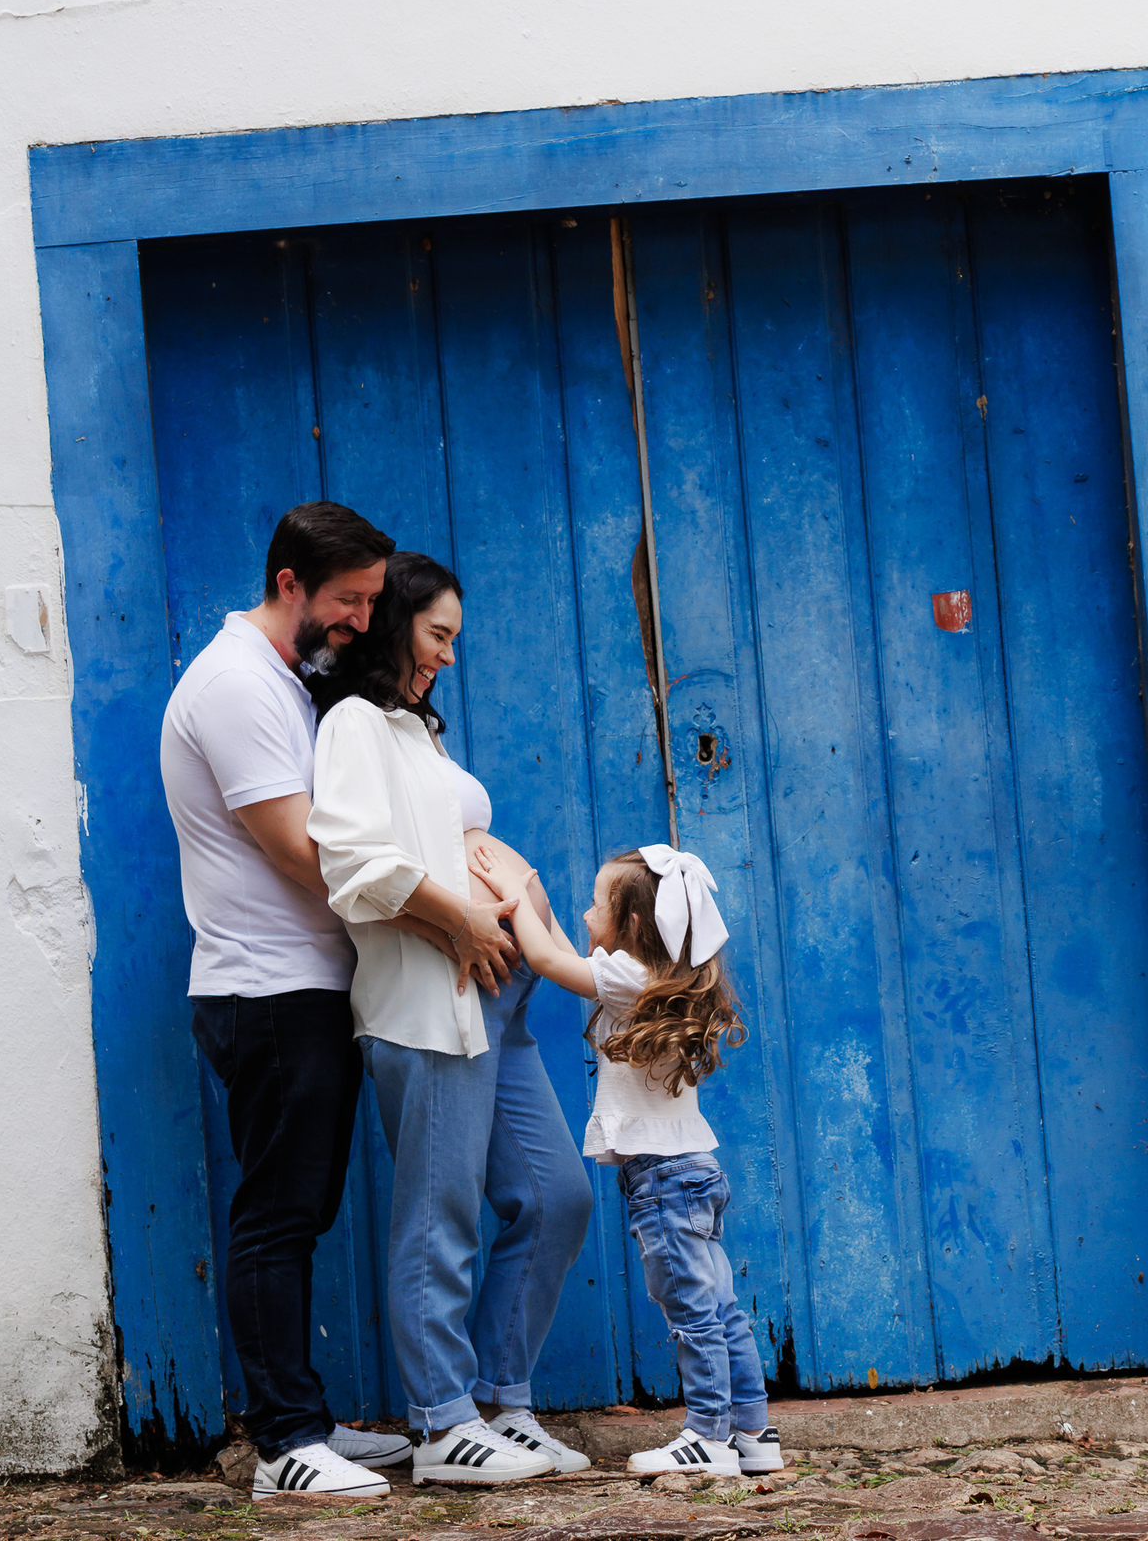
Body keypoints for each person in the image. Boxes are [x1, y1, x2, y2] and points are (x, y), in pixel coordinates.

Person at [307, 552, 594, 1486]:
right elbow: (352, 863)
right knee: (440, 1219)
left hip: (497, 1004)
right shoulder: (354, 724)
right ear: (395, 624)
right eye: (438, 635)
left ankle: (504, 1405)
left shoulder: (411, 729)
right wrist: (464, 917)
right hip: (428, 1006)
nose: (448, 656)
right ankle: (440, 1426)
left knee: (555, 1197)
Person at [161, 501, 413, 1504]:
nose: (362, 620)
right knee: (276, 1214)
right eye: (349, 600)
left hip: (302, 985)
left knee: (299, 1210)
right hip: (266, 989)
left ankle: (302, 1416)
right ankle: (285, 1445)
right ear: (289, 585)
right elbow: (300, 849)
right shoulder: (235, 685)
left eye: (372, 602)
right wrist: (426, 907)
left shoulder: (281, 679)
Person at [470, 841, 786, 1479]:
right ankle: (753, 1433)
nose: (586, 915)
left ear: (633, 925)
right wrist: (532, 900)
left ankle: (707, 1436)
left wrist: (516, 889)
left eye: (596, 905)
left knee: (690, 1310)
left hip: (663, 1182)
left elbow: (545, 957)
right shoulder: (659, 980)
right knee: (720, 1306)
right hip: (694, 1170)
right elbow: (566, 949)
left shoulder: (626, 980)